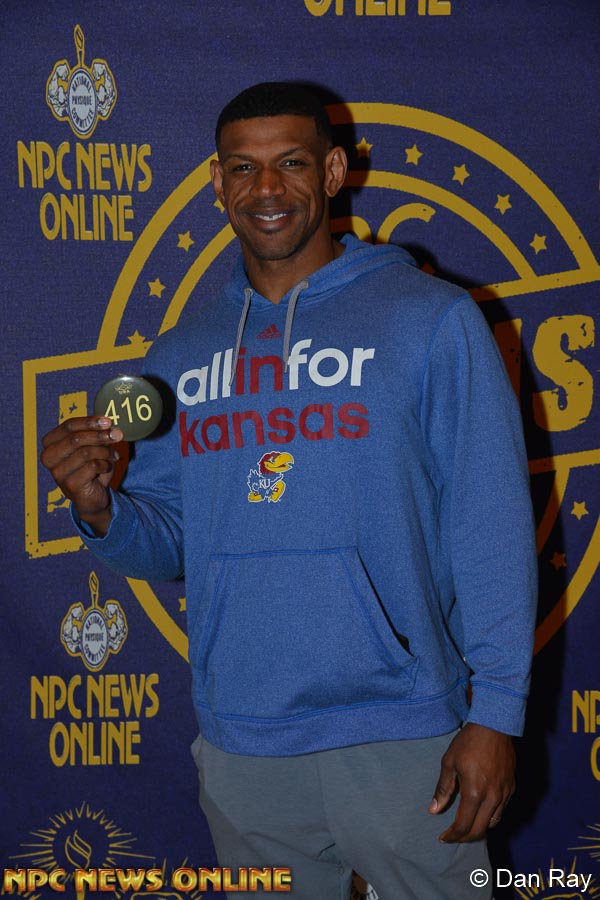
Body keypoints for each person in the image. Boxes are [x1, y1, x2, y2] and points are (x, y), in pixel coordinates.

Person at [41, 82, 537, 899]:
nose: (265, 188)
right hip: (245, 741)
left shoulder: (431, 321)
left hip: (402, 726)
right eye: (243, 167)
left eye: (292, 164)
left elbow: (490, 526)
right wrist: (99, 509)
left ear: (334, 171)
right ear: (217, 181)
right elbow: (171, 539)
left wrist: (497, 714)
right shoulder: (181, 353)